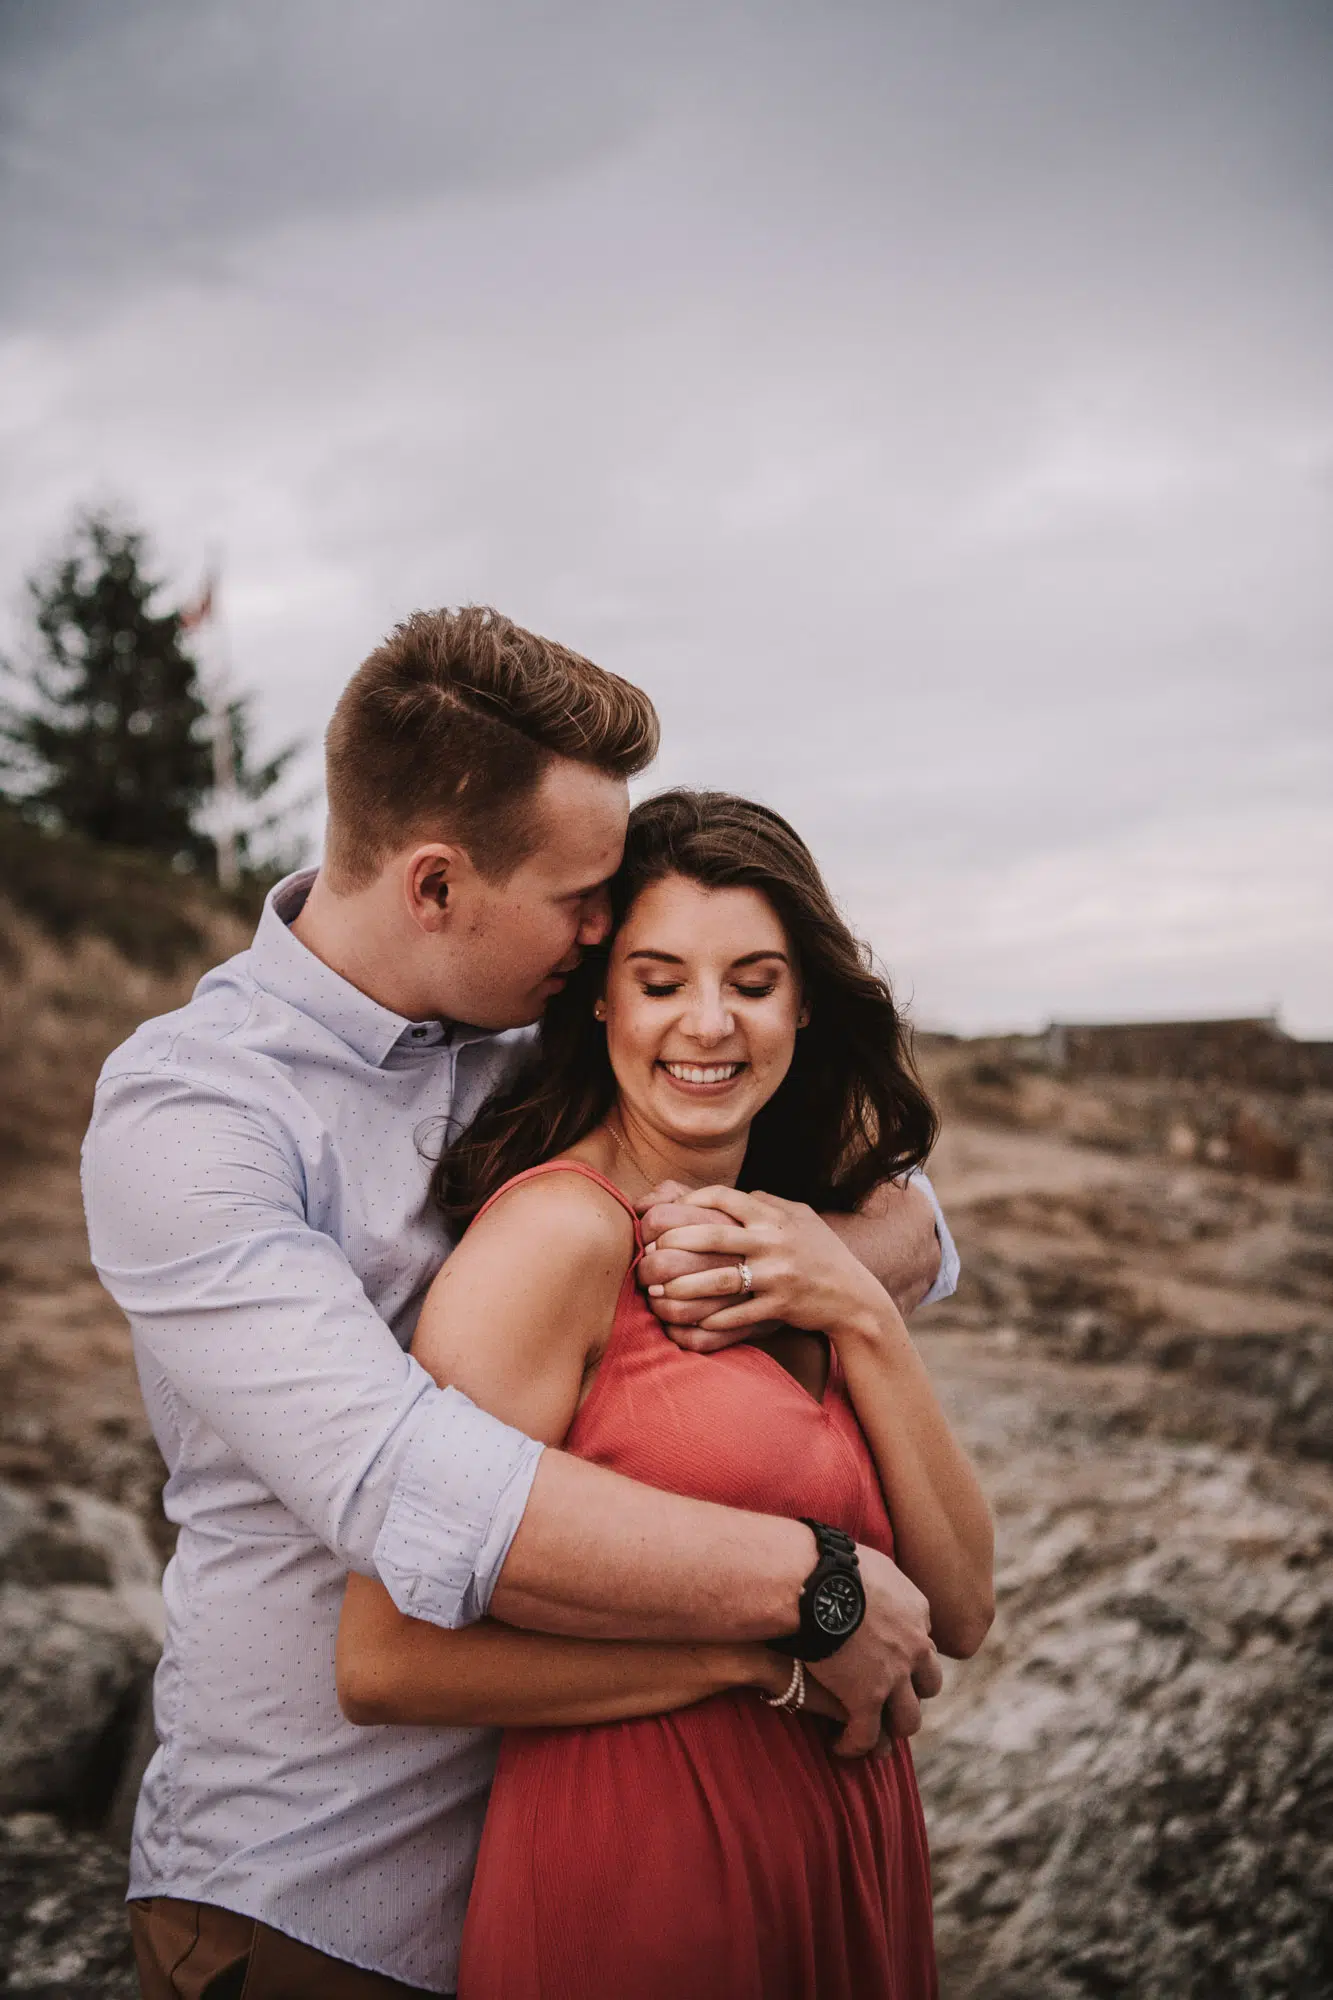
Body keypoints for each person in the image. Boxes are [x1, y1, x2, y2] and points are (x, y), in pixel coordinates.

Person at [82, 608, 959, 1999]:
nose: (608, 928)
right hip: (319, 1897)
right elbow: (410, 1482)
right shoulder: (196, 1117)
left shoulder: (530, 1035)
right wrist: (811, 1590)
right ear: (436, 885)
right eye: (582, 895)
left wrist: (815, 1257)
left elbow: (908, 1215)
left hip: (577, 1857)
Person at [337, 789, 993, 1999]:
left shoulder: (801, 1246)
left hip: (843, 1861)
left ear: (803, 1000)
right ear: (600, 999)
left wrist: (851, 1300)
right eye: (658, 978)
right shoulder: (551, 1241)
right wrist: (761, 1653)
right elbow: (388, 1661)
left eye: (751, 980)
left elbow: (957, 1608)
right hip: (641, 1878)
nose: (708, 1022)